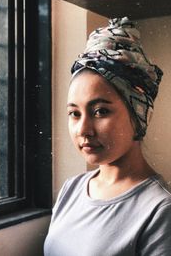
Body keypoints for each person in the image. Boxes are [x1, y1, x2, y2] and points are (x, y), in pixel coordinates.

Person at [44, 17, 171, 256]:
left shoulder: (160, 210)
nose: (83, 129)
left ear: (138, 114)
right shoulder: (71, 189)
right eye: (74, 113)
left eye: (100, 111)